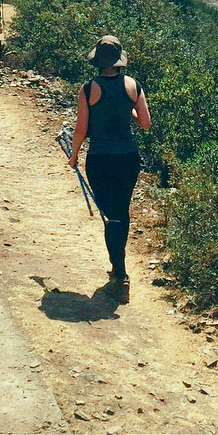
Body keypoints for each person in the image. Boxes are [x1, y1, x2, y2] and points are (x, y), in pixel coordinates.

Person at [67, 35, 151, 303]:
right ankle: (119, 269)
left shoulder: (88, 88)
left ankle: (119, 273)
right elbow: (145, 123)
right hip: (128, 156)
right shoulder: (133, 86)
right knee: (121, 211)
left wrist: (74, 154)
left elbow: (81, 128)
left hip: (100, 157)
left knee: (109, 216)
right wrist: (126, 110)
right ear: (119, 60)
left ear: (98, 61)